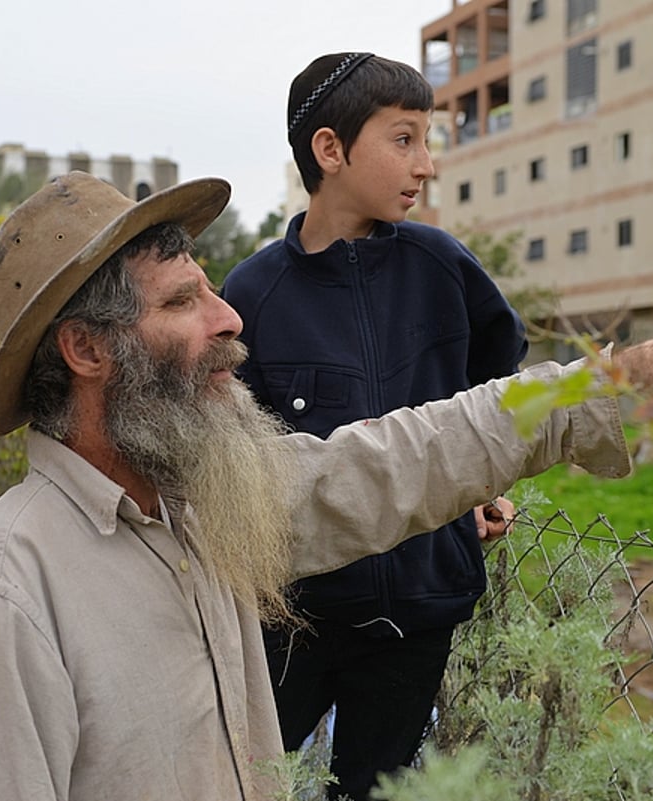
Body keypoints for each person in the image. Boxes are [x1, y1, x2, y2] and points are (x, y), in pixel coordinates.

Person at [0, 171, 653, 801]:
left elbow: (406, 456)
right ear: (89, 351)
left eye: (212, 288)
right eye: (181, 302)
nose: (229, 317)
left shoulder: (199, 505)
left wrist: (616, 382)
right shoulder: (10, 594)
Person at [221, 51, 526, 799]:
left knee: (378, 790)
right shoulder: (253, 293)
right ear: (330, 150)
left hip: (418, 617)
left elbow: (500, 387)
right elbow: (229, 453)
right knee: (239, 781)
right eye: (404, 139)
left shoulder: (444, 266)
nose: (425, 163)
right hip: (292, 620)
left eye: (429, 139)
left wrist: (482, 482)